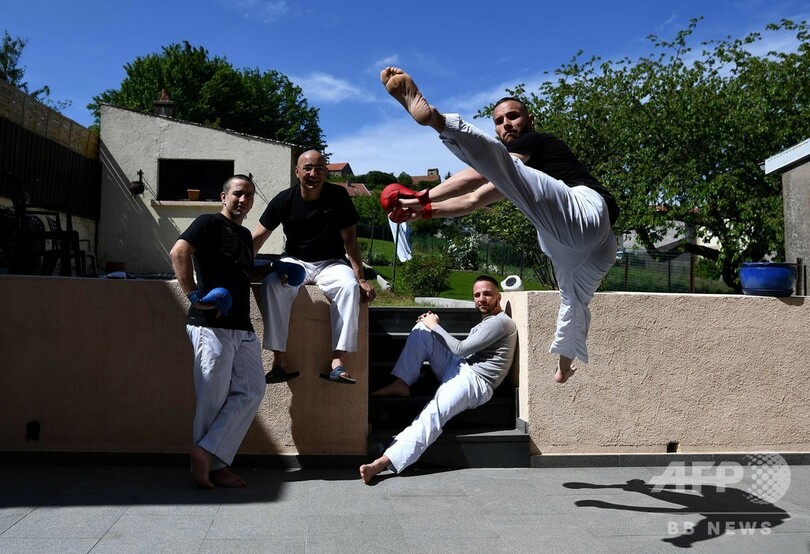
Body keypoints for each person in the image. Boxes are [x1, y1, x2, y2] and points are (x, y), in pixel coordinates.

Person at [379, 67, 618, 385]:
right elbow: (472, 200)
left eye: (513, 117)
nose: (506, 124)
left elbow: (480, 173)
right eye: (499, 121)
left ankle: (436, 119)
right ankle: (564, 365)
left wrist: (421, 196)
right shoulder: (515, 175)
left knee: (502, 167)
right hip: (587, 248)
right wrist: (423, 212)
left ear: (529, 121)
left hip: (586, 211)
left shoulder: (538, 142)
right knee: (572, 300)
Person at [360, 275, 517, 484]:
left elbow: (460, 349)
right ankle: (402, 382)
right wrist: (430, 326)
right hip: (460, 366)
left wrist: (435, 325)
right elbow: (461, 353)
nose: (481, 299)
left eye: (487, 294)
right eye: (477, 295)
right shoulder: (488, 321)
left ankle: (381, 463)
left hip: (475, 382)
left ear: (498, 296)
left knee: (433, 413)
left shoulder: (500, 322)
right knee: (422, 329)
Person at [169, 174, 266, 489]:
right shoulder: (208, 222)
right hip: (210, 325)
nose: (243, 199)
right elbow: (178, 252)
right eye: (238, 193)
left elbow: (239, 271)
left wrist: (274, 270)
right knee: (212, 399)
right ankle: (212, 468)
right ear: (224, 196)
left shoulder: (243, 234)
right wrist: (194, 296)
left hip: (241, 326)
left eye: (249, 195)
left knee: (252, 390)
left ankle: (207, 451)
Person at [252, 150, 376, 385]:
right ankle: (280, 361)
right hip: (296, 262)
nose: (313, 173)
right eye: (307, 168)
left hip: (331, 262)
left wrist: (360, 279)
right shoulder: (284, 200)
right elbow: (258, 237)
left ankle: (337, 362)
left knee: (349, 287)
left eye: (319, 168)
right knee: (271, 284)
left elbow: (350, 241)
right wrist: (237, 269)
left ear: (326, 172)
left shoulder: (338, 196)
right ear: (297, 172)